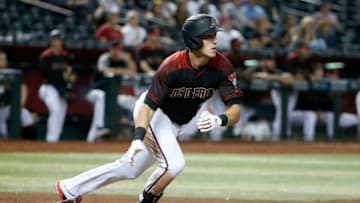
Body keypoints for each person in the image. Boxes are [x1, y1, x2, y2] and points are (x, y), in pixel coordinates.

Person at [55, 14, 241, 203]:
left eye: (214, 35)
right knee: (174, 165)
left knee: (129, 168)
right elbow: (148, 106)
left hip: (174, 123)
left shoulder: (222, 66)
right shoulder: (172, 65)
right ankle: (147, 198)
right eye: (208, 36)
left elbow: (235, 109)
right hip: (155, 114)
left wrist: (220, 119)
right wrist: (138, 137)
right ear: (193, 40)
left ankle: (69, 188)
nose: (214, 41)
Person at [85, 40, 137, 142]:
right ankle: (100, 127)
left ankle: (140, 130)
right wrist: (121, 71)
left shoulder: (122, 60)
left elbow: (132, 73)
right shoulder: (105, 57)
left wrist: (129, 60)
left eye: (119, 50)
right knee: (102, 96)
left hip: (113, 95)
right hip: (95, 91)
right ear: (111, 50)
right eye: (115, 50)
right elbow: (105, 70)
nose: (117, 52)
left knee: (133, 102)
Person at [38, 30, 77, 143]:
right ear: (50, 41)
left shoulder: (66, 55)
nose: (57, 42)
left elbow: (71, 72)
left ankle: (55, 139)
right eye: (55, 39)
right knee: (55, 109)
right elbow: (49, 76)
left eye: (59, 39)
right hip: (48, 87)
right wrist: (63, 87)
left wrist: (71, 78)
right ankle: (51, 140)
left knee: (61, 112)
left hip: (61, 89)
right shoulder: (46, 56)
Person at [0, 50, 37, 139]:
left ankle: (31, 144)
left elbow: (23, 87)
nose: (3, 61)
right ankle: (4, 141)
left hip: (9, 107)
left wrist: (20, 104)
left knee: (26, 115)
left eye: (4, 59)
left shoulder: (11, 73)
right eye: (0, 59)